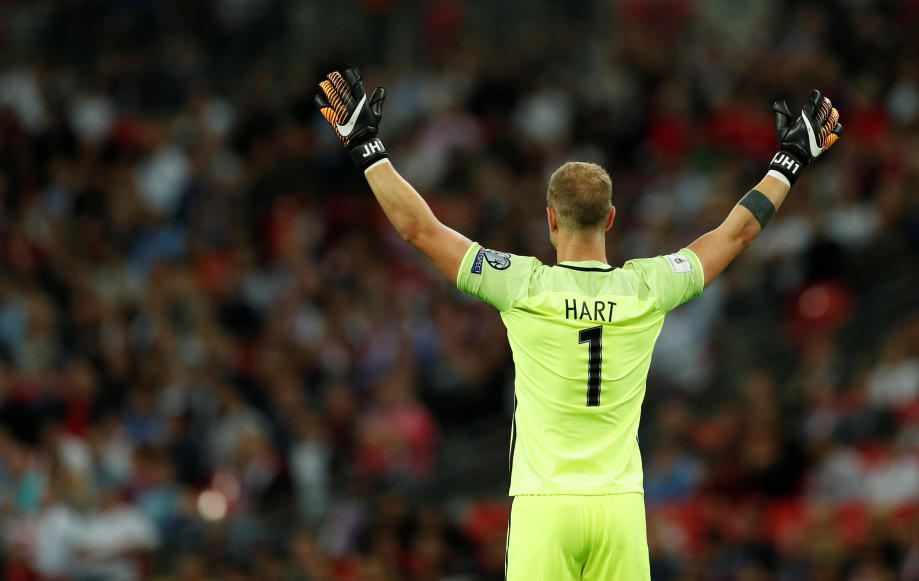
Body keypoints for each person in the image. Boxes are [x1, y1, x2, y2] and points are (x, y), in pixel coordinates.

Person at [315, 67, 841, 580]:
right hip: (619, 509)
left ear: (550, 220)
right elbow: (738, 232)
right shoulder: (647, 288)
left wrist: (367, 146)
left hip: (545, 506)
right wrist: (789, 160)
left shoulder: (521, 285)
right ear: (611, 218)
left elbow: (418, 230)